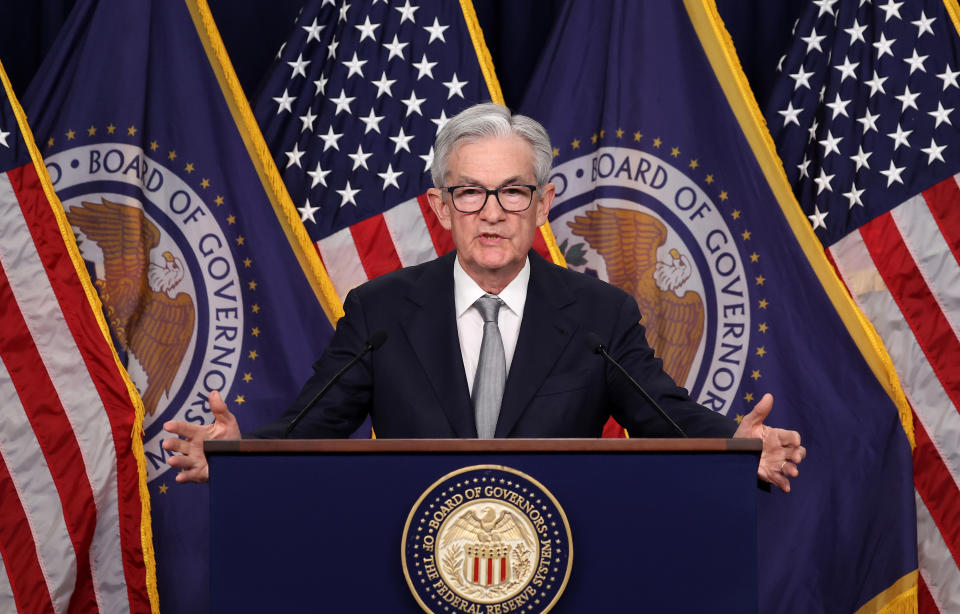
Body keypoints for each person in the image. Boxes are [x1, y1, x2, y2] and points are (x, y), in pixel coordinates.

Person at [163, 103, 805, 491]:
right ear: (442, 206)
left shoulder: (598, 314)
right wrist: (237, 453)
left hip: (558, 567)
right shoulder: (379, 311)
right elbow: (311, 426)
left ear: (543, 203)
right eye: (470, 192)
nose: (492, 213)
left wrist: (733, 445)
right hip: (413, 570)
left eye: (513, 191)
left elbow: (665, 418)